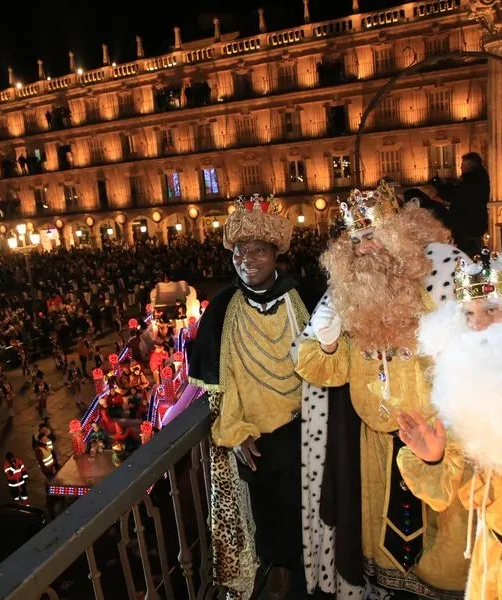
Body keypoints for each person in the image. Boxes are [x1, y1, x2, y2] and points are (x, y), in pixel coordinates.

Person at [296, 182, 470, 599]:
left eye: (373, 235)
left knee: (441, 560)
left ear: (401, 236)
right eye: (356, 241)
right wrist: (328, 343)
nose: (365, 248)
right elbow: (328, 371)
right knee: (385, 567)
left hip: (436, 448)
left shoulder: (439, 295)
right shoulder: (351, 301)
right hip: (373, 451)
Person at [397, 250, 502, 600]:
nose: (477, 325)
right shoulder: (473, 385)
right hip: (493, 557)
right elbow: (448, 493)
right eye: (469, 314)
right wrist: (434, 458)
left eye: (492, 311)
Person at [187, 194, 327, 600]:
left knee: (313, 506)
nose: (247, 260)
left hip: (306, 428)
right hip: (256, 437)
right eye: (240, 251)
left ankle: (313, 572)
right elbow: (219, 385)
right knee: (269, 513)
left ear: (275, 254)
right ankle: (278, 569)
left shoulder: (304, 297)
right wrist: (235, 430)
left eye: (258, 251)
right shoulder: (222, 308)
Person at [426, 152, 490, 257]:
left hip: (467, 227)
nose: (461, 167)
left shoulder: (472, 181)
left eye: (462, 165)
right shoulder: (479, 179)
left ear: (469, 166)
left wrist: (439, 187)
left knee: (467, 255)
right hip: (472, 226)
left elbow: (454, 195)